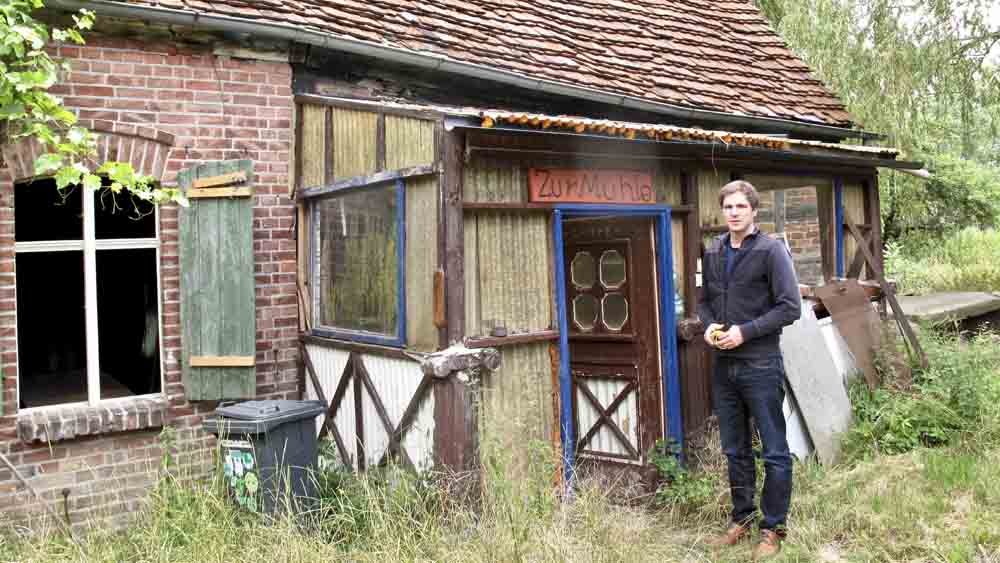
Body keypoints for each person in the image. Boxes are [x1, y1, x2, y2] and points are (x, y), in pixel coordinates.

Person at [697, 180, 801, 560]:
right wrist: (707, 324)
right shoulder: (714, 252)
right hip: (724, 367)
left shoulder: (771, 252)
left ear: (754, 211)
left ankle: (772, 528)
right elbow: (704, 301)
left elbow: (791, 307)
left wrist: (745, 332)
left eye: (741, 206)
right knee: (735, 449)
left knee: (774, 450)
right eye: (728, 207)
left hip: (760, 364)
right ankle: (742, 519)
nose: (734, 213)